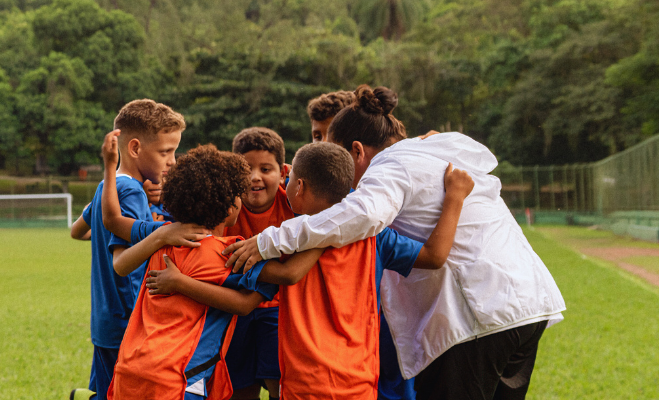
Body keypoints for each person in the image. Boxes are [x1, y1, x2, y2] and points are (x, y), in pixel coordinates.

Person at [227, 86, 566, 400]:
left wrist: (268, 241)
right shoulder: (430, 152)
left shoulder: (388, 167)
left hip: (480, 317)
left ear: (357, 151)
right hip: (527, 305)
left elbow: (360, 215)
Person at [106, 145, 279, 400]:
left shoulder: (163, 240)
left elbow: (120, 261)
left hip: (129, 370)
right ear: (230, 207)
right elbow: (251, 299)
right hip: (176, 381)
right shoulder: (229, 255)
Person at [79, 100, 196, 396]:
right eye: (165, 152)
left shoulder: (108, 186)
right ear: (134, 148)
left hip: (104, 321)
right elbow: (121, 261)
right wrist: (162, 234)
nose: (172, 161)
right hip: (129, 321)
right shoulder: (130, 191)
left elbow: (79, 231)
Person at [222, 127, 293, 400]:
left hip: (278, 311)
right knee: (238, 389)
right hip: (232, 307)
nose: (255, 177)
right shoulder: (224, 207)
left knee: (279, 387)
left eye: (265, 168)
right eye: (246, 168)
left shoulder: (294, 206)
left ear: (283, 171)